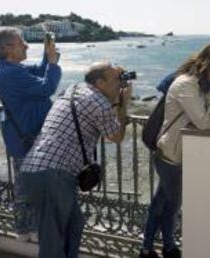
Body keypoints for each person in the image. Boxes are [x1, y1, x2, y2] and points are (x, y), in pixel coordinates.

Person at [140, 41, 210, 258]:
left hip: (177, 154)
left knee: (161, 202)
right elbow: (203, 121)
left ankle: (148, 249)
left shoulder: (203, 85)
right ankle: (168, 248)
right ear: (209, 66)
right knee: (172, 205)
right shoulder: (186, 85)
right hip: (170, 156)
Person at [19, 62, 131, 258]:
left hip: (37, 170)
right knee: (52, 243)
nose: (120, 85)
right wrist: (124, 105)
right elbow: (116, 136)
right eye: (115, 80)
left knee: (74, 225)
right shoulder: (98, 102)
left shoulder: (73, 90)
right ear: (99, 83)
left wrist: (115, 90)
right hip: (53, 176)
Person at [0, 27, 61, 241]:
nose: (26, 45)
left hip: (27, 137)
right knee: (28, 188)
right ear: (8, 48)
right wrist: (53, 63)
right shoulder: (11, 74)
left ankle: (28, 230)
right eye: (22, 42)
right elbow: (47, 87)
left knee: (30, 185)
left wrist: (46, 55)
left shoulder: (13, 68)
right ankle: (26, 231)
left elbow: (40, 71)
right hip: (26, 139)